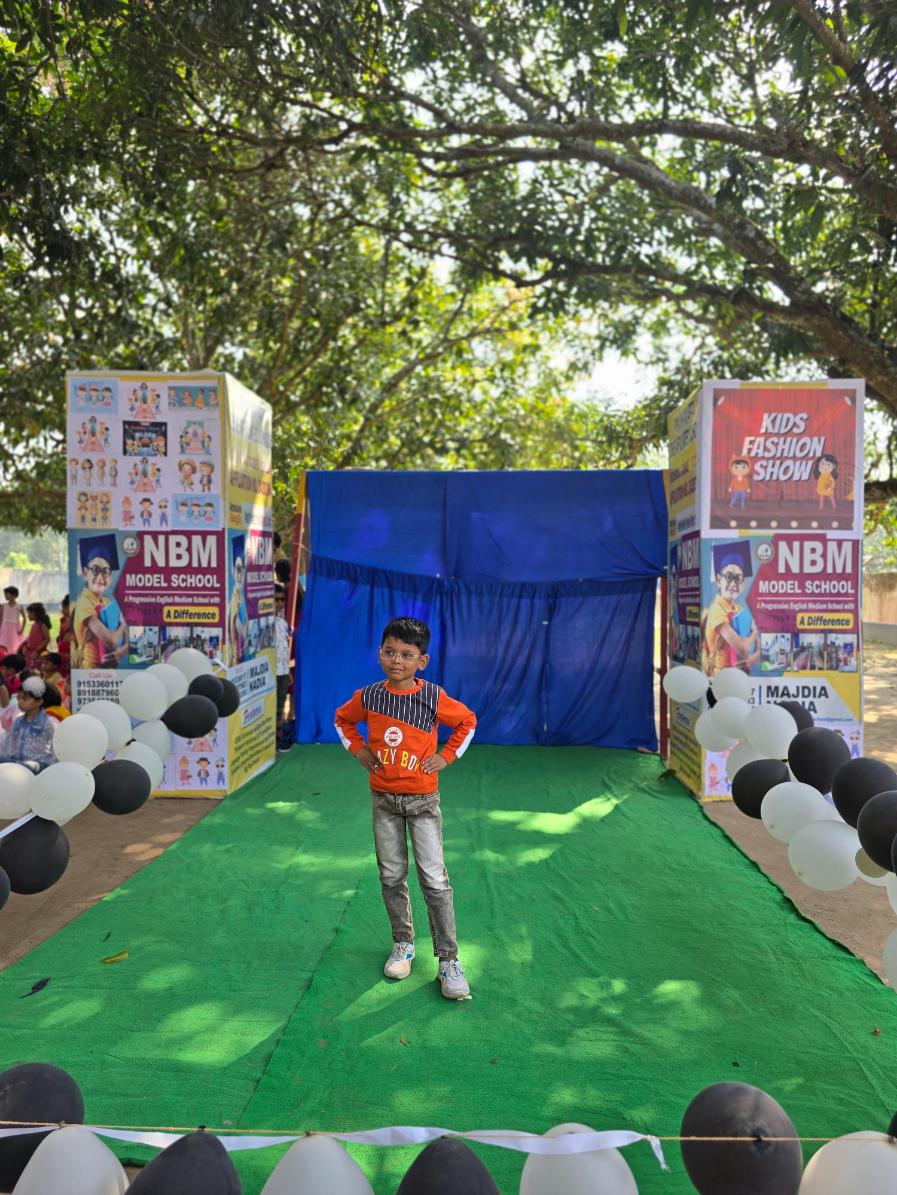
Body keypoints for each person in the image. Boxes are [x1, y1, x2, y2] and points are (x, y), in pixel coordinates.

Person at [334, 616, 477, 1000]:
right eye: (390, 652)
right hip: (383, 801)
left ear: (422, 661)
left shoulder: (432, 697)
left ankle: (448, 960)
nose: (397, 660)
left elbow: (467, 722)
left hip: (423, 802)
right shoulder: (369, 696)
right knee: (391, 876)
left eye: (407, 654)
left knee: (434, 880)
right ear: (379, 654)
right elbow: (342, 720)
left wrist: (446, 757)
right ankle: (403, 944)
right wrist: (360, 750)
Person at [71, 537, 128, 669]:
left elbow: (127, 639)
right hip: (91, 673)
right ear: (86, 572)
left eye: (106, 571)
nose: (100, 577)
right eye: (95, 570)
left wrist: (120, 653)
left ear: (110, 578)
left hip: (110, 672)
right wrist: (123, 624)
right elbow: (112, 642)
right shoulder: (84, 602)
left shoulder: (107, 602)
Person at [700, 553, 760, 676]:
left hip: (738, 677)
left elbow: (760, 648)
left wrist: (752, 660)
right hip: (721, 678)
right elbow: (743, 649)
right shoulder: (717, 610)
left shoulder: (740, 609)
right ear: (718, 580)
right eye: (728, 577)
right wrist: (755, 631)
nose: (733, 584)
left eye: (738, 578)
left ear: (743, 584)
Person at [0, 676, 56, 771]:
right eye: (19, 698)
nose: (20, 702)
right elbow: (9, 746)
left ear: (38, 701)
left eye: (25, 699)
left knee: (30, 765)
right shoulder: (18, 720)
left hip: (39, 766)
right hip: (18, 763)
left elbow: (56, 752)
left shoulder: (50, 722)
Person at [274, 584, 292, 750]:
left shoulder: (282, 622)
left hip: (283, 671)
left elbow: (284, 648)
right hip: (271, 672)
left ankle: (278, 738)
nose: (280, 603)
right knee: (272, 707)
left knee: (280, 705)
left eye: (282, 599)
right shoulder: (265, 624)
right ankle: (272, 740)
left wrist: (287, 670)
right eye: (276, 599)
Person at [22, 603, 52, 671]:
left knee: (38, 670)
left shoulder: (42, 625)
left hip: (38, 653)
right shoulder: (34, 625)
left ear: (36, 613)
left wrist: (37, 651)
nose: (28, 616)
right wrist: (26, 647)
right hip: (30, 653)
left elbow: (47, 639)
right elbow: (31, 638)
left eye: (29, 613)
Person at [0, 586, 26, 654]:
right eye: (5, 594)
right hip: (5, 627)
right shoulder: (3, 606)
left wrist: (22, 629)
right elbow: (1, 617)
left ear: (14, 595)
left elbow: (24, 618)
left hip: (15, 627)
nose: (5, 596)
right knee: (4, 641)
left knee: (14, 642)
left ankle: (13, 654)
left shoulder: (19, 606)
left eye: (7, 594)